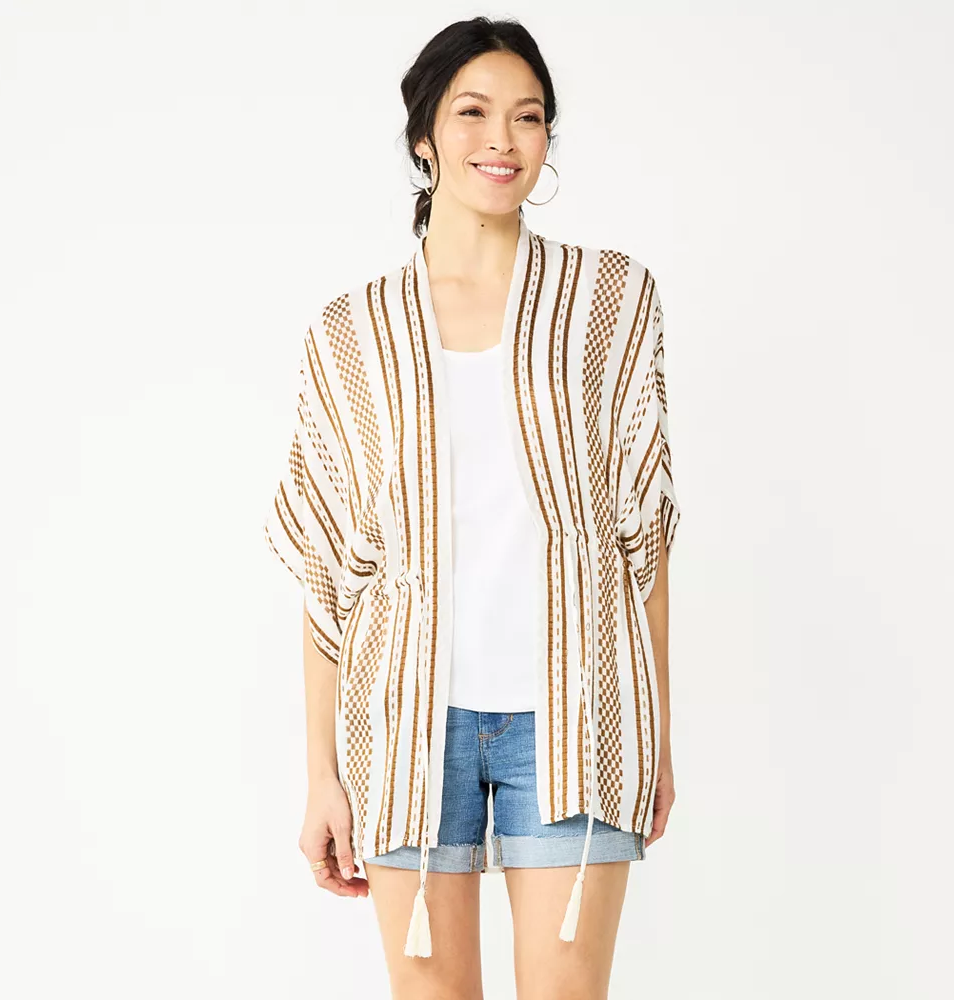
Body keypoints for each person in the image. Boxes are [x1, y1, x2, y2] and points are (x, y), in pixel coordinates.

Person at [263, 16, 680, 999]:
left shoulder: (611, 300)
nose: (502, 139)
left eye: (528, 117)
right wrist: (321, 773)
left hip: (579, 716)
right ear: (424, 136)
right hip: (405, 721)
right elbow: (331, 569)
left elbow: (646, 532)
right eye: (473, 113)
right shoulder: (352, 331)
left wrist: (658, 731)